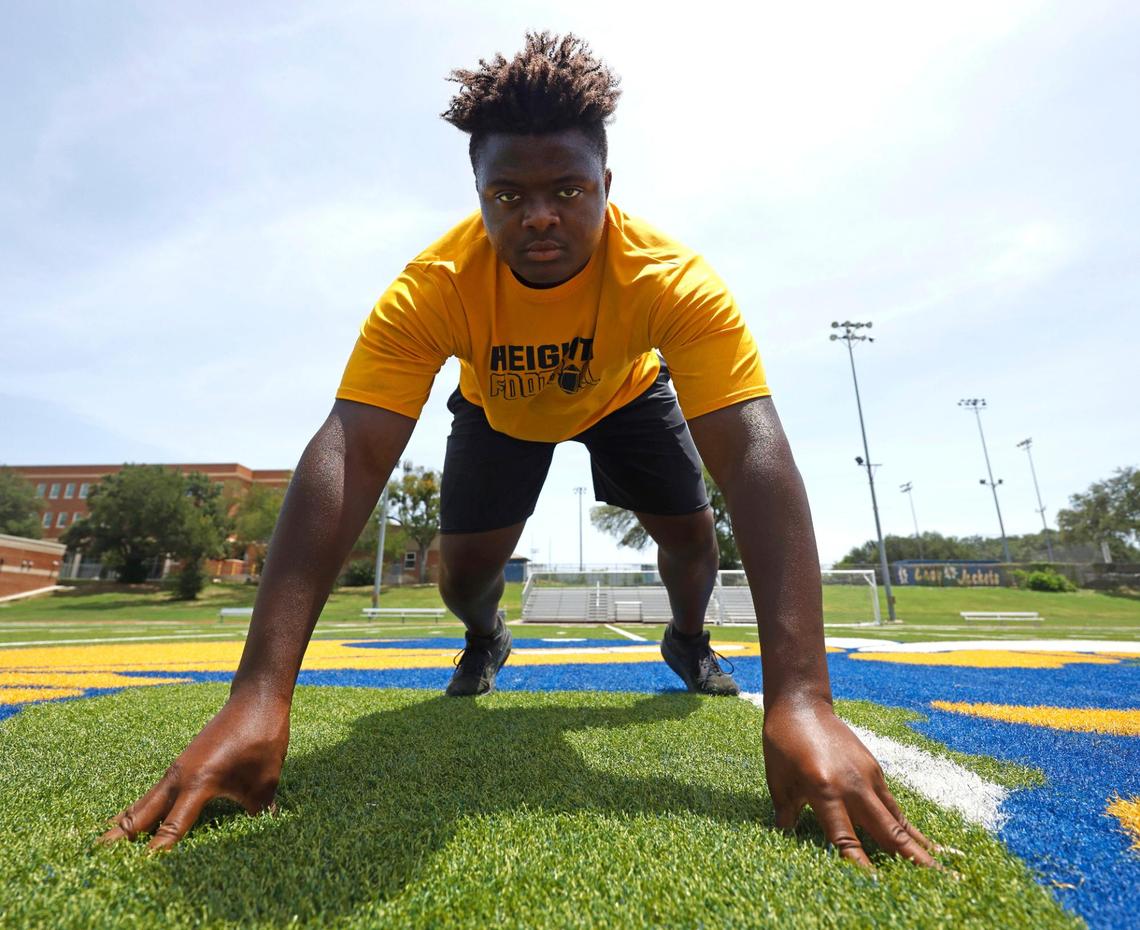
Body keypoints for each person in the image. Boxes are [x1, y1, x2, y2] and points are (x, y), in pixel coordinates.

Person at [100, 32, 937, 869]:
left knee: (690, 539)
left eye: (569, 189)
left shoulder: (670, 279)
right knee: (461, 575)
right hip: (500, 411)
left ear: (607, 186)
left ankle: (688, 641)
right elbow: (353, 451)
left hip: (624, 394)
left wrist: (802, 697)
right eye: (509, 195)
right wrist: (257, 695)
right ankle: (486, 636)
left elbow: (753, 453)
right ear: (479, 194)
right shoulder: (433, 286)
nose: (539, 215)